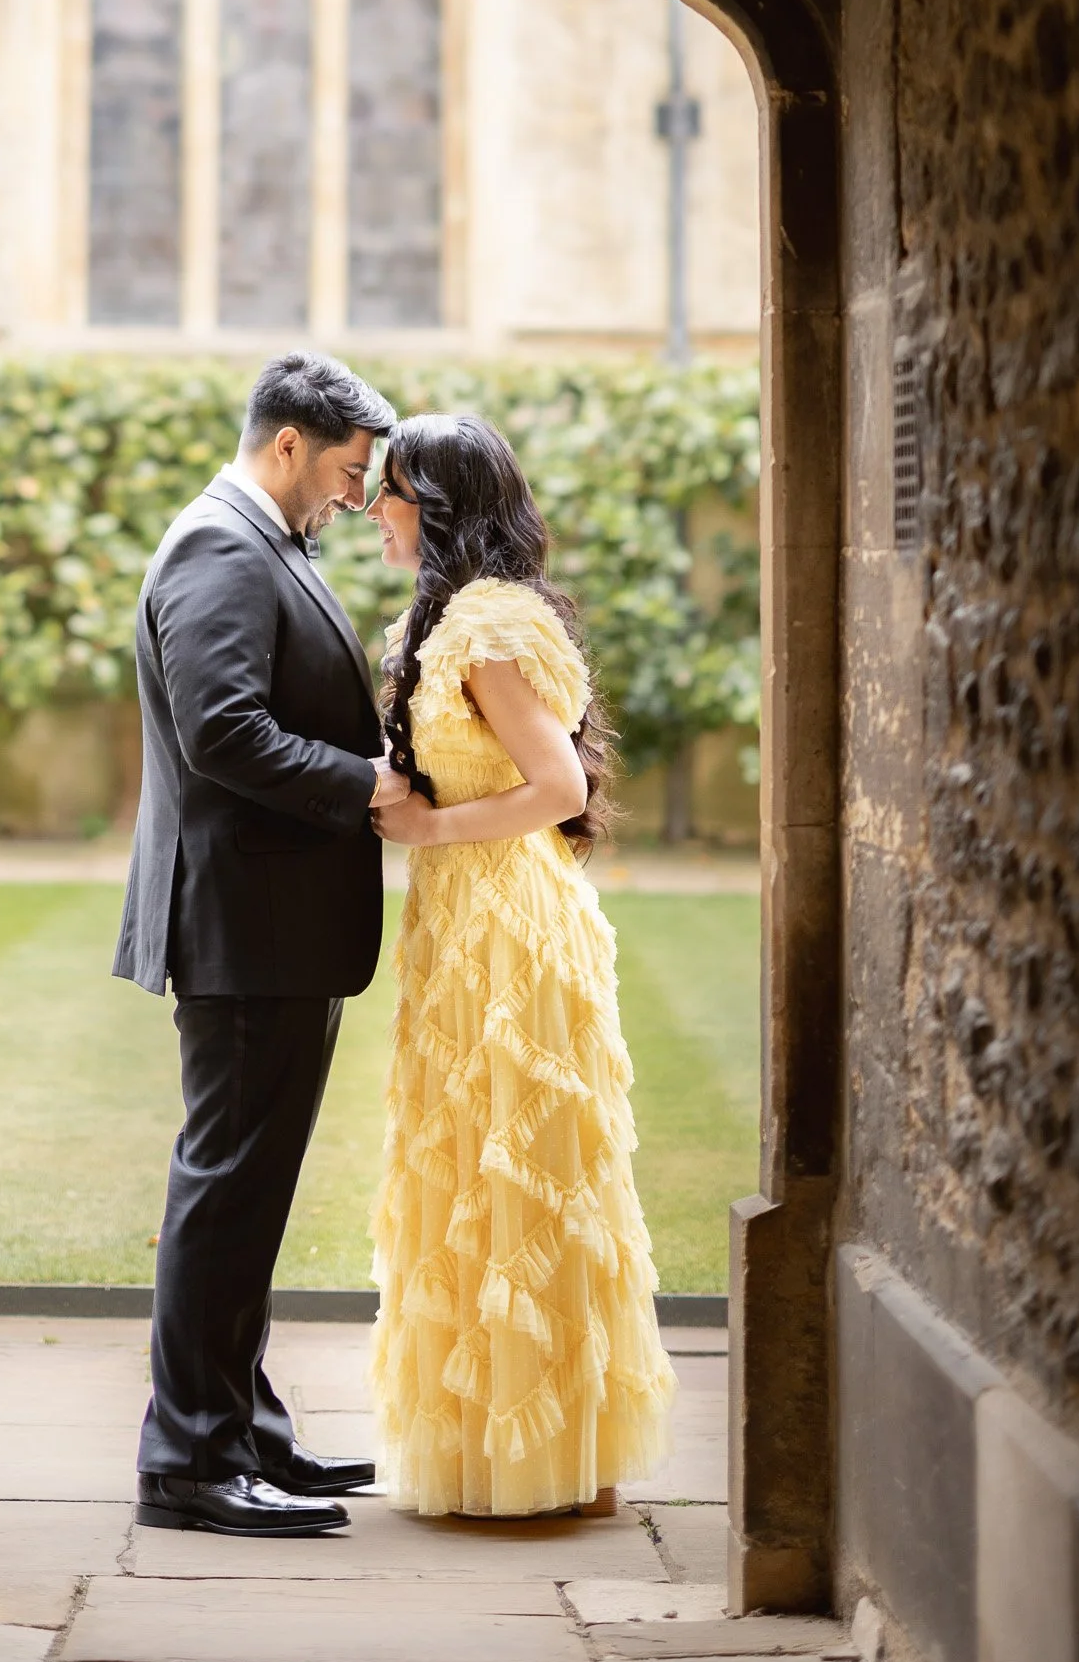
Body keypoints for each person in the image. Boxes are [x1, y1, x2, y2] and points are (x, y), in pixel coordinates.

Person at [365, 412, 677, 1517]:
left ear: (441, 507)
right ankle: (494, 1456)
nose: (375, 508)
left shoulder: (488, 627)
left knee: (522, 1167)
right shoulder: (448, 616)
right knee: (462, 1168)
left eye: (394, 491)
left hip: (509, 923)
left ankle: (552, 1462)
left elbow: (559, 787)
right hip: (460, 920)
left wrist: (428, 827)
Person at [116, 349, 403, 1539]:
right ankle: (189, 1459)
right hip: (244, 922)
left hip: (279, 921)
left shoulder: (265, 539)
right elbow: (223, 730)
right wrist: (368, 784)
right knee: (226, 1188)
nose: (354, 495)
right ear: (289, 442)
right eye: (346, 470)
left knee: (251, 1192)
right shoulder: (221, 545)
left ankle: (244, 1429)